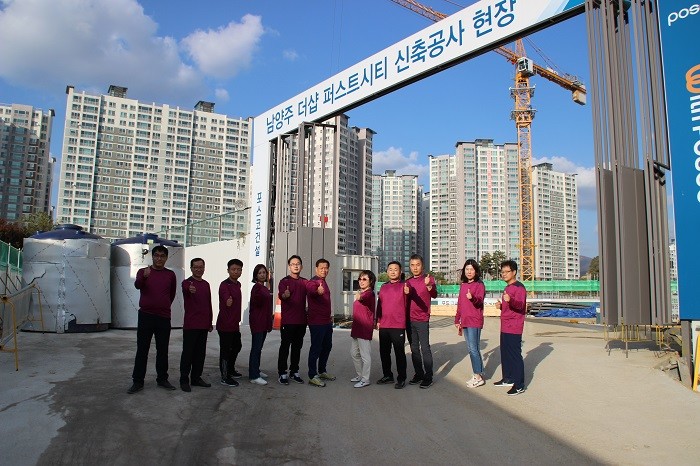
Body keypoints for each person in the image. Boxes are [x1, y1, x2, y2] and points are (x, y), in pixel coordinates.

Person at [127, 245, 178, 394]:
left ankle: (162, 379)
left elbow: (172, 294)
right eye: (156, 255)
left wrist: (163, 306)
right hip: (146, 316)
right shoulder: (143, 271)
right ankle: (138, 381)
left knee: (162, 350)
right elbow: (137, 285)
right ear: (152, 256)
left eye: (162, 256)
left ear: (166, 258)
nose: (159, 258)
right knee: (142, 350)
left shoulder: (170, 275)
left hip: (163, 317)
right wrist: (144, 277)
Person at [179, 258, 213, 392]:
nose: (199, 269)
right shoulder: (187, 283)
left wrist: (210, 321)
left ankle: (196, 378)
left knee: (200, 354)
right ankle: (184, 380)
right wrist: (190, 289)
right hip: (191, 325)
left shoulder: (206, 284)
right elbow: (186, 288)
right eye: (196, 267)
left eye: (201, 267)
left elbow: (208, 304)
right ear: (191, 268)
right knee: (188, 354)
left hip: (203, 325)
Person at [494, 259, 527, 396]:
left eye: (507, 272)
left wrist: (510, 300)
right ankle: (508, 378)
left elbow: (520, 305)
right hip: (505, 326)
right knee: (505, 354)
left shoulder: (519, 288)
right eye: (502, 272)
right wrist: (501, 306)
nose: (504, 274)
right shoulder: (507, 288)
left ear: (514, 272)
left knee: (514, 355)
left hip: (514, 326)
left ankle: (519, 385)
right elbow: (510, 307)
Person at [404, 254, 437, 389]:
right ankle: (419, 374)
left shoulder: (428, 279)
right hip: (409, 320)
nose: (415, 267)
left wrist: (429, 286)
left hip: (422, 319)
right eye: (412, 265)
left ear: (422, 266)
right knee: (414, 349)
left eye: (418, 265)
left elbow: (434, 294)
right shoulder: (408, 282)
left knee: (425, 348)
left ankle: (428, 377)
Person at [375, 261, 408, 389]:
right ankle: (387, 375)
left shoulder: (405, 285)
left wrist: (408, 292)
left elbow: (410, 299)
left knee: (399, 353)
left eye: (395, 269)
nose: (393, 271)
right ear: (387, 271)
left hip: (398, 325)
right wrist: (378, 320)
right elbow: (380, 305)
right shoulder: (383, 287)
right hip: (384, 325)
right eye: (390, 269)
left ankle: (401, 378)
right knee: (384, 352)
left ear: (400, 272)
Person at [454, 259, 486, 388]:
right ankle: (477, 373)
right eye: (467, 269)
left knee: (474, 349)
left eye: (471, 269)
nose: (469, 272)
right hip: (465, 321)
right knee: (470, 349)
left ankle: (478, 376)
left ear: (476, 271)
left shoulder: (479, 285)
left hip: (474, 321)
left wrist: (472, 298)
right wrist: (457, 319)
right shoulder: (463, 285)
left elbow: (479, 301)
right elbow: (460, 304)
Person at [277, 255, 308, 385]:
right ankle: (282, 373)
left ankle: (294, 371)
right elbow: (282, 295)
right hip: (288, 322)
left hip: (301, 321)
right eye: (293, 264)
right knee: (285, 347)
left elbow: (313, 293)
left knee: (297, 348)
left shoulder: (305, 282)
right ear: (289, 266)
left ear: (302, 266)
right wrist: (285, 295)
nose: (296, 266)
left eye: (298, 263)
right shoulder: (284, 281)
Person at [306, 258, 336, 387]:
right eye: (321, 268)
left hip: (326, 321)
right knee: (316, 348)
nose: (324, 270)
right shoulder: (313, 282)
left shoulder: (324, 282)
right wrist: (316, 291)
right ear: (316, 269)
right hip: (317, 322)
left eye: (326, 268)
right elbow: (311, 290)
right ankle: (312, 375)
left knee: (327, 346)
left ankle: (322, 371)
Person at [217, 259, 244, 387]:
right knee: (225, 351)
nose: (236, 272)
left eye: (239, 269)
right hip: (225, 324)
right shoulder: (224, 285)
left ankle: (230, 369)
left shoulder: (238, 284)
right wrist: (227, 300)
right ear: (228, 270)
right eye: (233, 269)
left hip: (234, 324)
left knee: (237, 346)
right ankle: (225, 376)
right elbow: (225, 297)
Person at [350, 270, 376, 388]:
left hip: (364, 329)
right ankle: (360, 375)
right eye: (360, 279)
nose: (361, 281)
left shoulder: (369, 294)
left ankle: (365, 379)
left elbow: (363, 298)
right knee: (354, 353)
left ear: (371, 281)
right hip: (357, 328)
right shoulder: (362, 292)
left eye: (364, 279)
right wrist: (359, 295)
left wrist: (360, 297)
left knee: (365, 356)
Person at [249, 264, 273, 386]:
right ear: (256, 275)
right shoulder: (257, 288)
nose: (262, 275)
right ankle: (254, 376)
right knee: (256, 349)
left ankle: (256, 370)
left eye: (264, 272)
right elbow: (257, 303)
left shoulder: (264, 288)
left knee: (259, 348)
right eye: (260, 273)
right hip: (257, 322)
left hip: (264, 321)